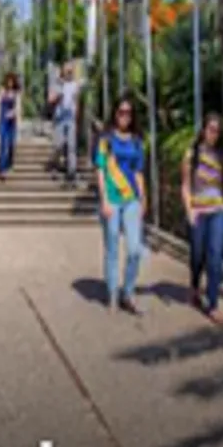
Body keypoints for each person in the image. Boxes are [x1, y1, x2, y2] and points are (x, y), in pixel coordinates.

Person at [181, 113, 223, 322]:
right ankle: (195, 285)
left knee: (215, 256)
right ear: (203, 130)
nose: (213, 134)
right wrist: (189, 209)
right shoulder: (192, 154)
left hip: (218, 209)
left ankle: (213, 303)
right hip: (198, 210)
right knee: (197, 254)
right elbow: (185, 186)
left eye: (217, 131)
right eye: (210, 129)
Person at [95, 97, 148, 315]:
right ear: (115, 113)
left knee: (135, 249)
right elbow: (100, 170)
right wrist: (104, 200)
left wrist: (143, 198)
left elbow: (138, 171)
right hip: (112, 199)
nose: (125, 116)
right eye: (121, 112)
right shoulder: (106, 140)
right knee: (112, 247)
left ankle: (128, 291)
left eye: (128, 112)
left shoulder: (137, 141)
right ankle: (112, 294)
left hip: (131, 199)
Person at [48, 63, 82, 186]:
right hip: (59, 117)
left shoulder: (75, 85)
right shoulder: (57, 84)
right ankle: (55, 165)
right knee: (59, 145)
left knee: (72, 146)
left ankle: (71, 172)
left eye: (71, 71)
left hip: (70, 117)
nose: (69, 73)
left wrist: (77, 118)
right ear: (62, 72)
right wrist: (58, 94)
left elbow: (77, 101)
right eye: (67, 71)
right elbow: (50, 99)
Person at [0, 72, 21, 181]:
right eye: (8, 81)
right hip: (3, 121)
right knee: (3, 145)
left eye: (12, 81)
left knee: (11, 144)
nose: (10, 83)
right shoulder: (2, 92)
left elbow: (18, 107)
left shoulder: (16, 93)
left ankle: (9, 162)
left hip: (12, 122)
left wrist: (14, 114)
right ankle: (2, 170)